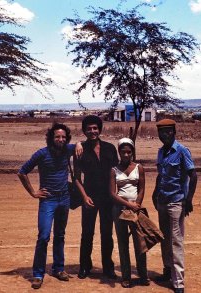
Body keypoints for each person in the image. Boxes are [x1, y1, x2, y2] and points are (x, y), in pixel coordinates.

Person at [17, 123, 81, 290]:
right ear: (51, 138)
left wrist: (79, 143)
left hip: (64, 199)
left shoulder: (68, 149)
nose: (60, 139)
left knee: (60, 235)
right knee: (44, 236)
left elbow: (82, 145)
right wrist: (33, 192)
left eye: (63, 137)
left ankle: (59, 269)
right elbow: (22, 172)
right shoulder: (42, 154)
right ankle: (38, 274)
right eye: (57, 137)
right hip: (48, 200)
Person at [152, 119, 198, 293]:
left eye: (168, 131)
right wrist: (155, 192)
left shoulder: (181, 151)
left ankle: (178, 282)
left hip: (176, 201)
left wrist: (189, 199)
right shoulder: (161, 152)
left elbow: (193, 176)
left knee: (176, 241)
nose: (164, 134)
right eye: (161, 132)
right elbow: (160, 175)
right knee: (164, 237)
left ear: (174, 132)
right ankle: (167, 270)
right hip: (162, 201)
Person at [74, 115, 119, 280]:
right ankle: (85, 266)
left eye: (95, 128)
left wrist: (115, 195)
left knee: (107, 233)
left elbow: (116, 173)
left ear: (100, 129)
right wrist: (84, 197)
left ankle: (108, 267)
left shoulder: (110, 148)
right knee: (87, 233)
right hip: (89, 197)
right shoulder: (80, 150)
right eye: (89, 128)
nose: (92, 131)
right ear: (84, 131)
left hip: (108, 197)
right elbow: (77, 178)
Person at [109, 137, 149, 288]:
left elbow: (142, 188)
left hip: (136, 210)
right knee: (123, 243)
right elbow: (112, 193)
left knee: (140, 243)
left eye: (129, 152)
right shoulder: (114, 170)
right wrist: (128, 205)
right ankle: (126, 276)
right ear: (119, 152)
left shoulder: (139, 168)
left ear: (132, 152)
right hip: (119, 210)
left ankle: (143, 275)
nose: (126, 155)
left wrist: (137, 204)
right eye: (123, 152)